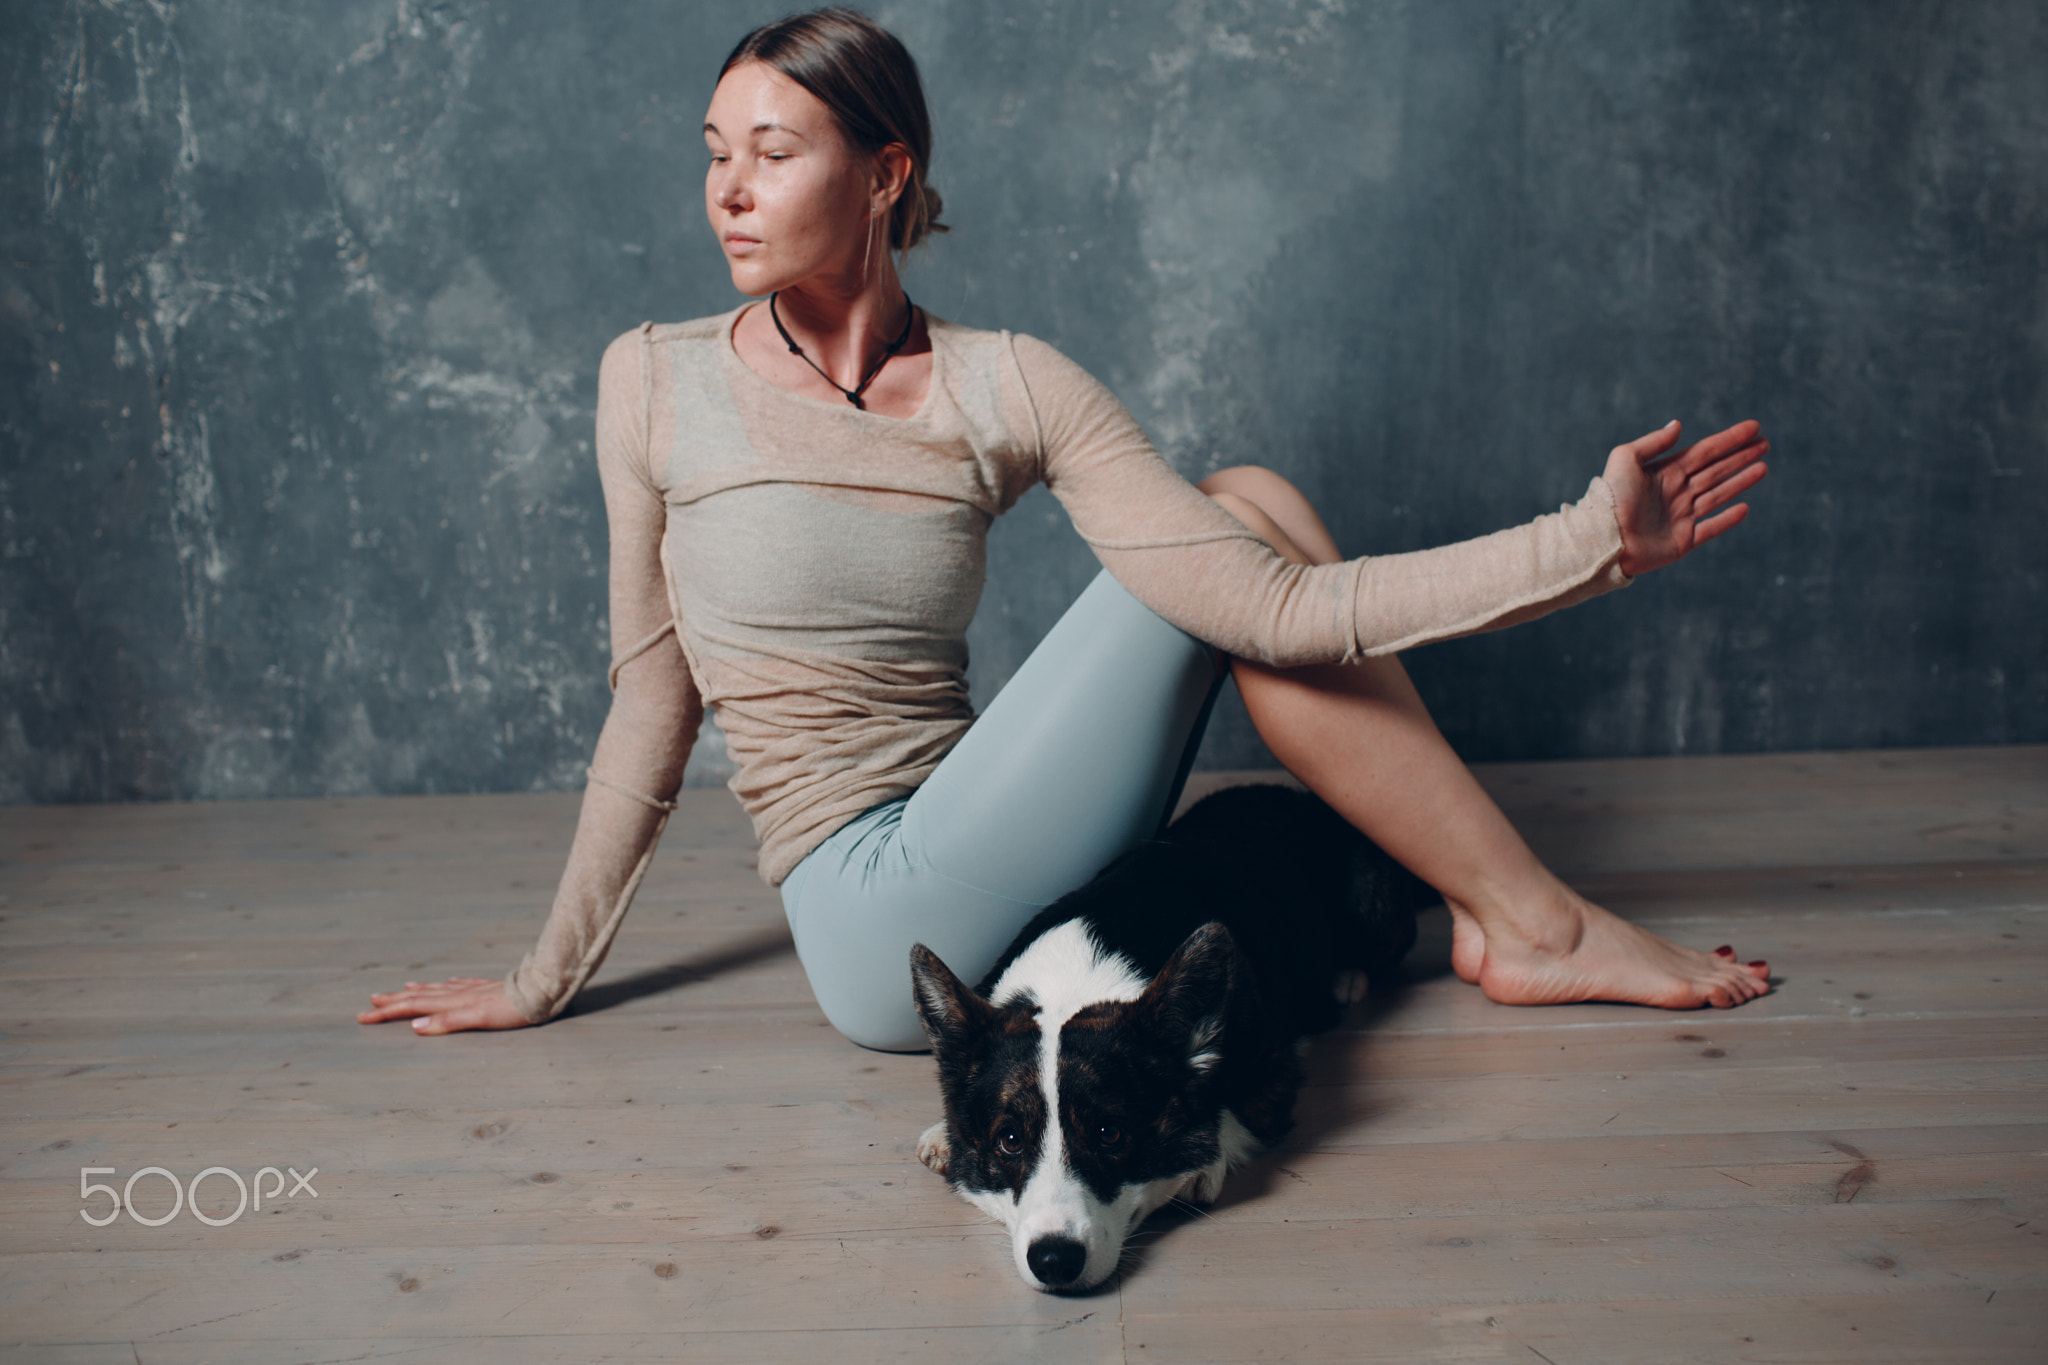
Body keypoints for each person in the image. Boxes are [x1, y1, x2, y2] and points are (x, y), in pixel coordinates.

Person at [358, 7, 1771, 1052]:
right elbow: (652, 695)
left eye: (772, 151)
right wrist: (544, 972)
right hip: (878, 919)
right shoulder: (650, 377)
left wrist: (1597, 542)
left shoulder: (1007, 384)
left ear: (883, 172)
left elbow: (1274, 613)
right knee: (1245, 533)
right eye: (715, 153)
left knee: (1251, 508)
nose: (726, 188)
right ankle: (1527, 918)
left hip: (997, 834)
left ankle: (1525, 919)